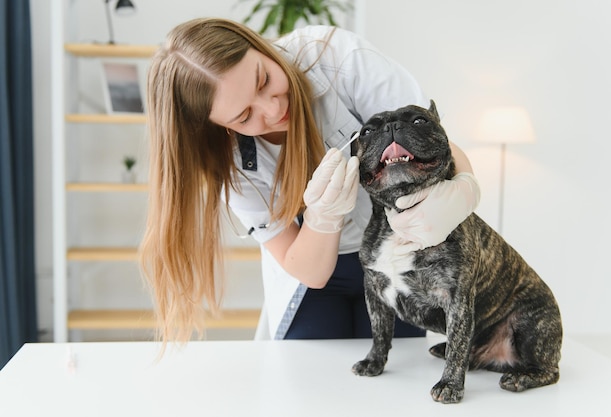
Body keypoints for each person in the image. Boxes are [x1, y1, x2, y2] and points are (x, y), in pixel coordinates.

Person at [139, 17, 480, 342]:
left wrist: (464, 189)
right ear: (222, 127)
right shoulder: (229, 163)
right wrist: (323, 218)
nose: (272, 110)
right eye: (245, 116)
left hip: (397, 256)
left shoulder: (335, 59)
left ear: (257, 45)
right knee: (310, 381)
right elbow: (311, 272)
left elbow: (436, 142)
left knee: (398, 376)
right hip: (318, 278)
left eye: (264, 80)